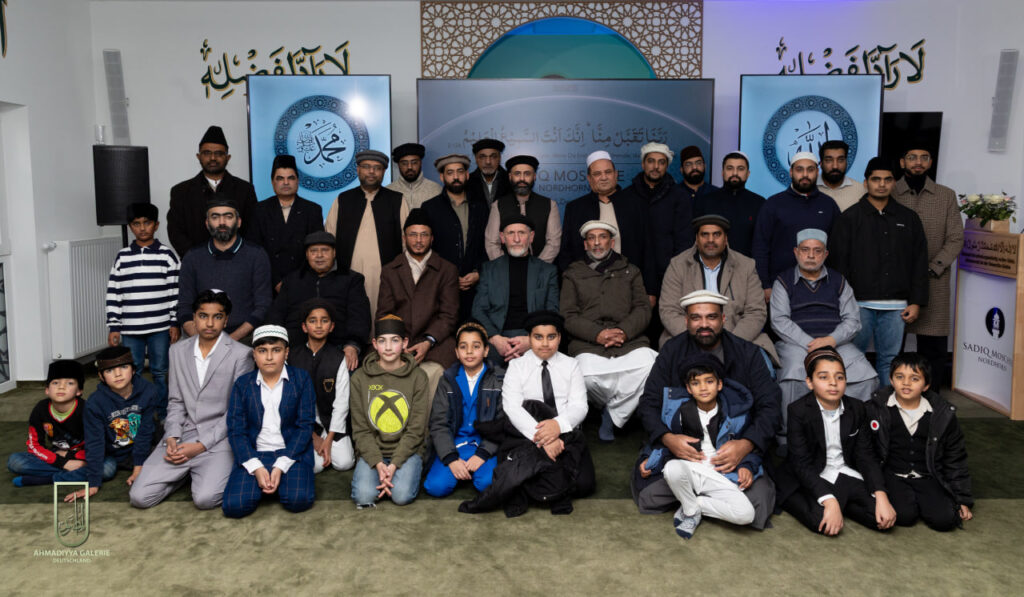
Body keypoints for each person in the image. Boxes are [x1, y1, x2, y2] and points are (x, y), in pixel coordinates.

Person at [634, 290, 779, 524]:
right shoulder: (672, 351)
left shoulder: (748, 353)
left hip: (732, 455)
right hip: (685, 454)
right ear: (686, 321)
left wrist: (745, 445)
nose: (704, 324)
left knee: (758, 505)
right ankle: (714, 499)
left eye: (711, 317)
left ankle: (693, 501)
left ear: (723, 319)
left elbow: (770, 407)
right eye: (696, 318)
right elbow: (649, 403)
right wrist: (668, 439)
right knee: (648, 497)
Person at [129, 290, 254, 510]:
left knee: (205, 499)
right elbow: (176, 401)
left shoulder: (241, 354)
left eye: (217, 317)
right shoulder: (177, 351)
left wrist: (201, 445)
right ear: (194, 318)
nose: (210, 323)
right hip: (184, 432)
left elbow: (237, 411)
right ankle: (184, 474)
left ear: (226, 320)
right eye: (203, 316)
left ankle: (200, 471)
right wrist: (171, 436)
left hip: (220, 437)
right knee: (139, 497)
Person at [775, 347, 897, 535]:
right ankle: (824, 502)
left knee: (883, 519)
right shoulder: (798, 410)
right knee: (822, 523)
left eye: (839, 377)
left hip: (845, 470)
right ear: (810, 382)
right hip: (816, 472)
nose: (833, 383)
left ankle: (843, 504)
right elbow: (802, 463)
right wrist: (829, 500)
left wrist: (881, 496)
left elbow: (865, 455)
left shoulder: (857, 408)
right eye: (823, 377)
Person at [637, 354, 761, 538]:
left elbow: (750, 446)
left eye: (709, 381)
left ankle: (694, 505)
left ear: (719, 385)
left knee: (746, 514)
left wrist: (747, 466)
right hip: (691, 469)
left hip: (721, 474)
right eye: (696, 383)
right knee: (671, 468)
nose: (703, 388)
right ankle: (691, 511)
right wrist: (650, 459)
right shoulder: (679, 412)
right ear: (688, 388)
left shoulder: (735, 415)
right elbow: (665, 442)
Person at [829, 157, 929, 383]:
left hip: (897, 307)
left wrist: (916, 301)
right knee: (853, 358)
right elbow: (838, 264)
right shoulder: (849, 218)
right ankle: (855, 403)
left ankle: (886, 403)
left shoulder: (909, 218)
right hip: (858, 305)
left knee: (890, 361)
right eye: (876, 179)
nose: (881, 184)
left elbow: (919, 262)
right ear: (866, 183)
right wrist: (843, 303)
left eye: (887, 180)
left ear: (894, 183)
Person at [560, 220, 656, 442]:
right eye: (591, 238)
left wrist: (623, 331)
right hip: (588, 343)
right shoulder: (573, 273)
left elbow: (643, 308)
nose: (597, 243)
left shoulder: (631, 270)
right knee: (583, 375)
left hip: (628, 340)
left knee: (652, 367)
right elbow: (568, 315)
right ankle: (620, 409)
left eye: (602, 237)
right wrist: (597, 334)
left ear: (611, 242)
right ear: (585, 244)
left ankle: (613, 415)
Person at [771, 229, 878, 427]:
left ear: (826, 254)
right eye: (805, 250)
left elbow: (853, 320)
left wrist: (831, 340)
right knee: (793, 376)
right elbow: (779, 320)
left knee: (865, 376)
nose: (811, 255)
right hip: (796, 344)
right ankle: (790, 435)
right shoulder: (783, 282)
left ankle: (853, 431)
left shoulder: (839, 281)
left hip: (836, 343)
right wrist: (810, 344)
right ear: (796, 252)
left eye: (817, 250)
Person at [495, 310, 596, 514]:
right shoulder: (517, 366)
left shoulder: (571, 365)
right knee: (522, 473)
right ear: (529, 338)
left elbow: (579, 406)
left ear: (559, 337)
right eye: (538, 337)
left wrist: (557, 426)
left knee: (585, 484)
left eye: (551, 337)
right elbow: (512, 407)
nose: (545, 343)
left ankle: (543, 485)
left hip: (564, 432)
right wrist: (544, 438)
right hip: (528, 434)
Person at [866, 352, 974, 531]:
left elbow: (955, 457)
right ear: (891, 380)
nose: (906, 383)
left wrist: (961, 499)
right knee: (904, 516)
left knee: (945, 520)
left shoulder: (942, 414)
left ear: (926, 385)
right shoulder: (875, 409)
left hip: (928, 475)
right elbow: (867, 453)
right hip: (893, 475)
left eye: (914, 378)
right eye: (899, 377)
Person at [222, 325, 316, 518]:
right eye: (262, 351)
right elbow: (236, 430)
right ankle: (265, 483)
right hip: (255, 452)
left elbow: (305, 426)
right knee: (234, 506)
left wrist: (280, 466)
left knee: (299, 500)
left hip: (291, 452)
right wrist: (256, 467)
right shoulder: (243, 384)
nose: (270, 357)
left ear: (286, 352)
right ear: (254, 354)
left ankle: (279, 482)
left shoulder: (301, 379)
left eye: (276, 350)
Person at [659, 215, 777, 367]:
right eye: (705, 234)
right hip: (688, 338)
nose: (710, 240)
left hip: (739, 337)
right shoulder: (678, 265)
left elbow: (756, 312)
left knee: (763, 371)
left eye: (716, 234)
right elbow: (669, 310)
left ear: (725, 239)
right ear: (696, 239)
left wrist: (730, 343)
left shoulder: (746, 265)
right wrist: (698, 340)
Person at [893, 141, 964, 389]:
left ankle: (931, 398)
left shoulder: (946, 195)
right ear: (902, 162)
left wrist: (933, 268)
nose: (918, 162)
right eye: (912, 157)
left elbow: (956, 238)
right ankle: (895, 395)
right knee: (892, 344)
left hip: (934, 280)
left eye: (924, 157)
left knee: (933, 347)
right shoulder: (890, 191)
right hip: (896, 281)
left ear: (931, 162)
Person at [106, 202, 180, 421]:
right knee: (133, 371)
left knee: (160, 371)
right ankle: (136, 413)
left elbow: (175, 291)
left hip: (160, 327)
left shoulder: (167, 256)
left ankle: (163, 414)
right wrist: (114, 325)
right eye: (136, 224)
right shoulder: (123, 257)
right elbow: (114, 292)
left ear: (156, 225)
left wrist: (174, 322)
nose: (142, 228)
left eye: (147, 223)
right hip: (131, 328)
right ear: (130, 227)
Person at [349, 315, 430, 507]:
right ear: (374, 344)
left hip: (407, 450)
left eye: (394, 341)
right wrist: (378, 463)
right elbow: (361, 430)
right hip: (373, 450)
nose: (388, 347)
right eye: (382, 341)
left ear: (405, 343)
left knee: (401, 496)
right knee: (363, 496)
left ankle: (397, 476)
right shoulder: (360, 378)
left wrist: (393, 465)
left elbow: (416, 429)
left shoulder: (418, 377)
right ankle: (382, 479)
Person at [377, 208, 460, 394]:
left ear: (432, 238)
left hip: (435, 343)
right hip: (399, 342)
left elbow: (449, 315)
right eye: (413, 235)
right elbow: (384, 314)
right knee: (386, 376)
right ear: (404, 238)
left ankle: (424, 416)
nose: (419, 240)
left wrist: (428, 341)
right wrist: (397, 343)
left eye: (424, 235)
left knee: (432, 374)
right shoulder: (390, 270)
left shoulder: (447, 270)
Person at [64, 346, 158, 502]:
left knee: (172, 452)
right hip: (115, 454)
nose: (118, 374)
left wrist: (138, 467)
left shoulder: (148, 390)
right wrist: (93, 484)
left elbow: (146, 431)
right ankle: (52, 474)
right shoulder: (95, 403)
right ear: (101, 376)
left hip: (145, 447)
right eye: (109, 370)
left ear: (133, 370)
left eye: (124, 367)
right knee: (106, 470)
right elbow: (95, 442)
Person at [325, 149, 410, 320]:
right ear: (357, 170)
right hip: (348, 273)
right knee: (352, 315)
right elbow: (329, 238)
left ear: (384, 172)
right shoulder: (343, 199)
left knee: (384, 315)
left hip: (385, 276)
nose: (371, 172)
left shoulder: (397, 200)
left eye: (377, 168)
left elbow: (406, 242)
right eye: (366, 167)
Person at [267, 231, 370, 368]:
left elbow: (359, 317)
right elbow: (276, 315)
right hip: (295, 348)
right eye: (313, 251)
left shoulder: (352, 280)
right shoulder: (292, 280)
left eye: (325, 250)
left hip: (339, 348)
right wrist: (279, 344)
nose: (319, 255)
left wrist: (353, 345)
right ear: (307, 254)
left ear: (334, 253)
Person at [423, 322, 504, 498]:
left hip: (484, 444)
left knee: (488, 484)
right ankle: (458, 469)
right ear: (456, 352)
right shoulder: (447, 379)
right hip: (455, 444)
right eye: (463, 347)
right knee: (435, 487)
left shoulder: (498, 379)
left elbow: (502, 423)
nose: (469, 352)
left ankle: (475, 470)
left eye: (476, 346)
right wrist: (451, 458)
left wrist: (482, 454)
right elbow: (438, 423)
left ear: (486, 351)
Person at [177, 197, 272, 342]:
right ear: (207, 223)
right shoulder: (192, 257)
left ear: (238, 222)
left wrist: (229, 342)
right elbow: (184, 306)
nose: (222, 222)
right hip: (201, 338)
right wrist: (202, 340)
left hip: (244, 338)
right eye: (215, 217)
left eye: (228, 216)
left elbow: (263, 306)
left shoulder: (257, 255)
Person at [8, 360, 116, 487]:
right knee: (15, 462)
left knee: (107, 469)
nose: (61, 387)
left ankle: (48, 479)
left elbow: (99, 444)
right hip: (57, 455)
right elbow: (34, 445)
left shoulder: (88, 409)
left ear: (79, 391)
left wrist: (71, 456)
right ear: (47, 390)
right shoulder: (40, 409)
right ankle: (74, 474)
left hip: (87, 456)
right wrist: (63, 462)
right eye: (55, 383)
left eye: (70, 383)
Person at [753, 152, 841, 300]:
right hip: (780, 287)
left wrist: (835, 284)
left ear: (817, 172)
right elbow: (760, 247)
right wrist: (764, 285)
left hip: (822, 288)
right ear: (791, 172)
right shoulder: (773, 204)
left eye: (810, 170)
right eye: (800, 169)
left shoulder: (828, 205)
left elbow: (838, 249)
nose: (805, 175)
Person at [472, 215, 559, 361]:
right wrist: (495, 338)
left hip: (534, 337)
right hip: (497, 335)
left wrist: (532, 339)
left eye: (522, 233)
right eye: (511, 233)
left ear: (531, 237)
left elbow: (552, 312)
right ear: (502, 237)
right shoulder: (489, 269)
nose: (516, 239)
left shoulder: (547, 271)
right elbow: (478, 309)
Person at [287, 299, 355, 473]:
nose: (318, 325)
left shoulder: (338, 358)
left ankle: (329, 443)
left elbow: (342, 403)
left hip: (332, 424)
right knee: (315, 466)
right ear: (304, 327)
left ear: (331, 326)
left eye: (324, 321)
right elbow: (290, 402)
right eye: (313, 321)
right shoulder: (293, 357)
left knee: (345, 463)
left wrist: (328, 439)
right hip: (305, 425)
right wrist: (313, 437)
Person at [168, 125, 258, 256]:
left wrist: (238, 258)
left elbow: (252, 229)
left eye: (219, 153)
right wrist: (196, 259)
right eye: (207, 153)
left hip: (237, 261)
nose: (213, 158)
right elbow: (175, 232)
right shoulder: (181, 192)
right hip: (196, 262)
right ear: (198, 156)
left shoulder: (244, 190)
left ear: (228, 157)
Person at [619, 143, 692, 303]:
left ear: (667, 166)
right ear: (643, 164)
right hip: (631, 276)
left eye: (661, 162)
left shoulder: (680, 197)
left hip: (669, 277)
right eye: (651, 161)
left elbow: (684, 241)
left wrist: (674, 273)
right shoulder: (627, 197)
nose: (656, 167)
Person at [422, 154, 488, 319]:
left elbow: (487, 245)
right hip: (441, 287)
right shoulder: (430, 208)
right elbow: (426, 249)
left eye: (460, 172)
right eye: (450, 173)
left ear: (467, 175)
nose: (456, 177)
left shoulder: (481, 208)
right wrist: (448, 276)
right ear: (442, 177)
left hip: (475, 288)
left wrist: (479, 272)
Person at [246, 154, 324, 291]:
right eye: (280, 178)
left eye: (291, 178)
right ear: (272, 182)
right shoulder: (259, 210)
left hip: (303, 283)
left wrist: (294, 282)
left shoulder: (312, 210)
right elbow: (254, 249)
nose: (286, 183)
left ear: (297, 181)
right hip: (267, 283)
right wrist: (276, 281)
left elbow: (315, 250)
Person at [559, 151, 646, 274]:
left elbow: (648, 250)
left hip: (628, 280)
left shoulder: (636, 205)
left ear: (616, 174)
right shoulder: (575, 208)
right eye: (597, 174)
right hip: (587, 281)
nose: (604, 177)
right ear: (589, 178)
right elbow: (566, 252)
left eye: (608, 172)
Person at [484, 154, 561, 263]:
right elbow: (492, 243)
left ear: (534, 176)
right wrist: (504, 267)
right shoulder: (498, 205)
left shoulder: (550, 204)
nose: (522, 179)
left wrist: (537, 267)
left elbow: (553, 243)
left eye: (527, 174)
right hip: (504, 269)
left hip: (540, 269)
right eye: (517, 174)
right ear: (510, 176)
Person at [692, 152, 764, 258]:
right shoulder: (705, 201)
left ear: (748, 173)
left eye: (740, 169)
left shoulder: (759, 203)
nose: (735, 173)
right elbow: (695, 239)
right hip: (710, 263)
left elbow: (762, 244)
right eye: (730, 168)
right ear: (722, 172)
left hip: (747, 265)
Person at [386, 142, 442, 210]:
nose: (409, 167)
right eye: (404, 163)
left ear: (420, 163)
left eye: (414, 163)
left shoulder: (436, 190)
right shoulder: (388, 191)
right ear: (398, 165)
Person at [816, 140, 863, 212]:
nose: (835, 166)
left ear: (846, 162)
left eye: (840, 160)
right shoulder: (810, 188)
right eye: (829, 160)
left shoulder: (860, 190)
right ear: (821, 164)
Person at [467, 138, 512, 206]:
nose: (488, 162)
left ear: (499, 158)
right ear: (476, 159)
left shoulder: (511, 180)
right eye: (482, 157)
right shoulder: (467, 182)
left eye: (493, 156)